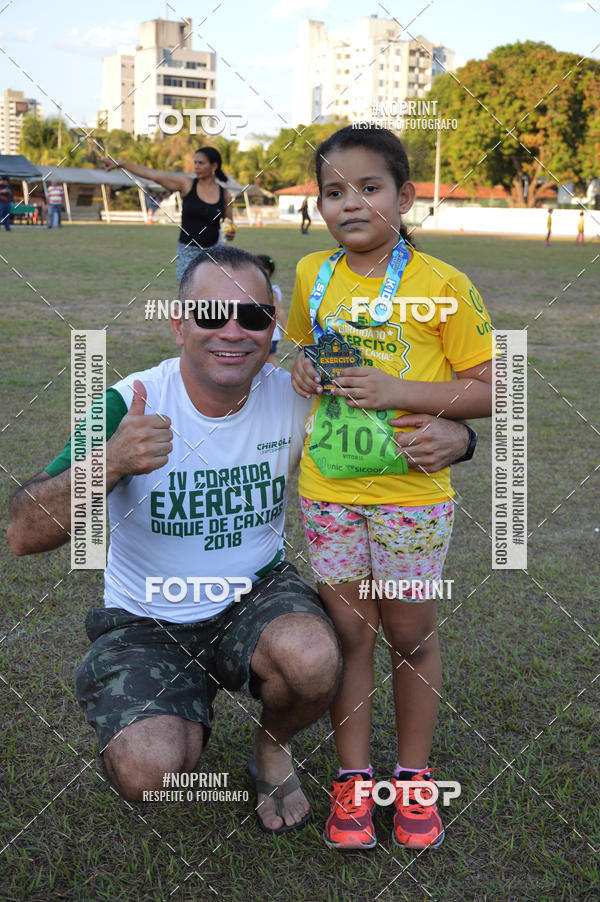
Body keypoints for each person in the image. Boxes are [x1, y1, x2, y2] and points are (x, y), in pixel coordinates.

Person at [7, 244, 476, 833]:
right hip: (147, 619)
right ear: (179, 325)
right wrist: (112, 460)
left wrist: (461, 438)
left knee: (313, 656)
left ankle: (272, 746)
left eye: (253, 316)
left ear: (273, 329)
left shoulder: (298, 394)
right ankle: (178, 716)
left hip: (256, 595)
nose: (232, 331)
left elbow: (392, 421)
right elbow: (22, 533)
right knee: (149, 774)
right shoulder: (129, 403)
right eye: (210, 315)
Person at [287, 124, 493, 852]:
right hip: (330, 488)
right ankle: (353, 781)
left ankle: (411, 777)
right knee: (351, 636)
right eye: (333, 192)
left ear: (405, 197)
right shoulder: (313, 274)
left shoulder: (443, 285)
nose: (350, 204)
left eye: (368, 189)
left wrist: (400, 388)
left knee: (409, 635)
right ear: (318, 207)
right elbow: (302, 353)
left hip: (411, 496)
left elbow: (492, 388)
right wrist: (303, 370)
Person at [103, 147, 235, 283]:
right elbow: (153, 175)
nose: (196, 166)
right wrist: (121, 164)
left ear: (214, 166)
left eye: (201, 163)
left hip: (213, 253)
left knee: (211, 296)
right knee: (187, 296)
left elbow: (228, 226)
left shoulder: (225, 195)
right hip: (187, 252)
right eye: (195, 163)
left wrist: (230, 233)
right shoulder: (187, 185)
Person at [256, 254, 287, 366]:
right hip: (256, 333)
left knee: (269, 362)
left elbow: (279, 311)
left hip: (269, 334)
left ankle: (280, 381)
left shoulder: (271, 291)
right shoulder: (249, 288)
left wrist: (287, 330)